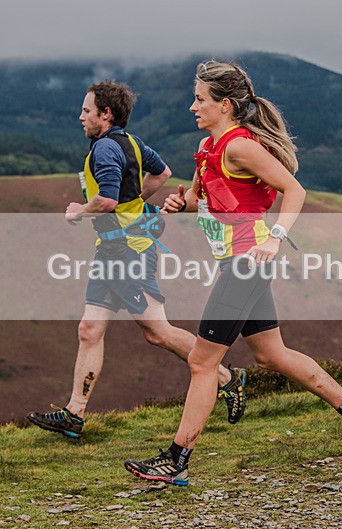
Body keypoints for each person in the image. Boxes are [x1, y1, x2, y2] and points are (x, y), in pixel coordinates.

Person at [123, 61, 342, 486]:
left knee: (203, 361)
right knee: (270, 354)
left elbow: (295, 189)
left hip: (247, 262)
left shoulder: (239, 146)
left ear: (224, 105)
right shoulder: (210, 148)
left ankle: (177, 459)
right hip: (237, 263)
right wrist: (177, 204)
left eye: (200, 99)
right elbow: (198, 199)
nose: (192, 107)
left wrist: (276, 236)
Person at [27, 80, 247, 438]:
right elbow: (161, 173)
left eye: (86, 111)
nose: (80, 117)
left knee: (157, 332)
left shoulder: (103, 151)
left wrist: (79, 210)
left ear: (106, 114)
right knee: (89, 329)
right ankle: (74, 414)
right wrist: (137, 203)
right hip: (111, 249)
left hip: (130, 251)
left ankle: (226, 377)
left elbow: (107, 202)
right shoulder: (131, 143)